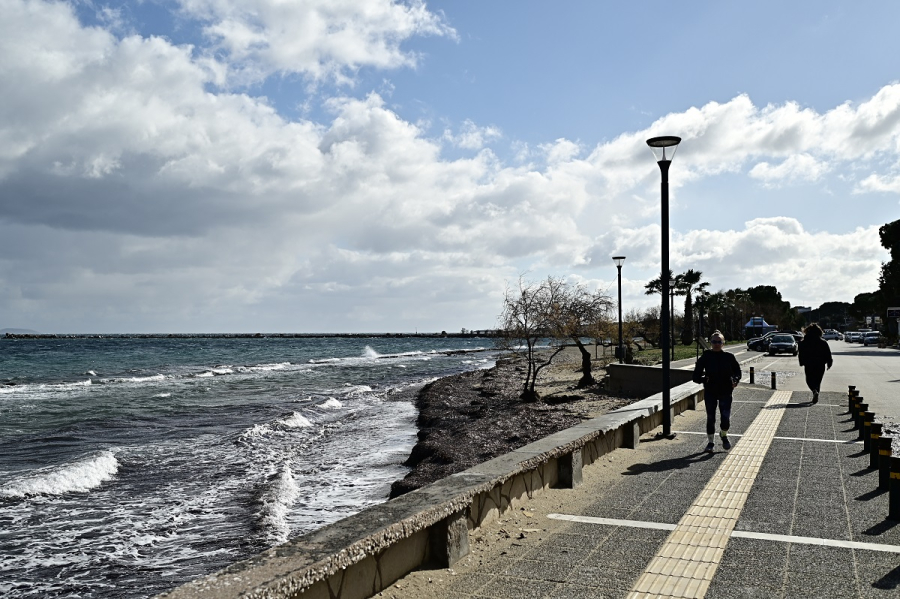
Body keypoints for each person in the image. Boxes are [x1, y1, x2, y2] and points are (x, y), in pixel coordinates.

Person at [692, 331, 741, 452]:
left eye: (719, 342)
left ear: (723, 343)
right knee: (710, 417)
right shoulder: (706, 357)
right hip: (710, 391)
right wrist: (704, 379)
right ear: (710, 342)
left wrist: (735, 380)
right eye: (714, 341)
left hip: (725, 391)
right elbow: (695, 376)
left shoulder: (729, 357)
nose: (716, 344)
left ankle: (723, 434)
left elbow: (737, 371)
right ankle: (710, 442)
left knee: (725, 418)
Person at [798, 323, 833, 404]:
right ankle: (816, 392)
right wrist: (829, 363)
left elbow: (801, 353)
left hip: (809, 363)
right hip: (820, 364)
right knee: (818, 380)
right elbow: (828, 353)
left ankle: (814, 391)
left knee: (809, 379)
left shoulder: (803, 342)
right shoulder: (823, 342)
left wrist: (801, 362)